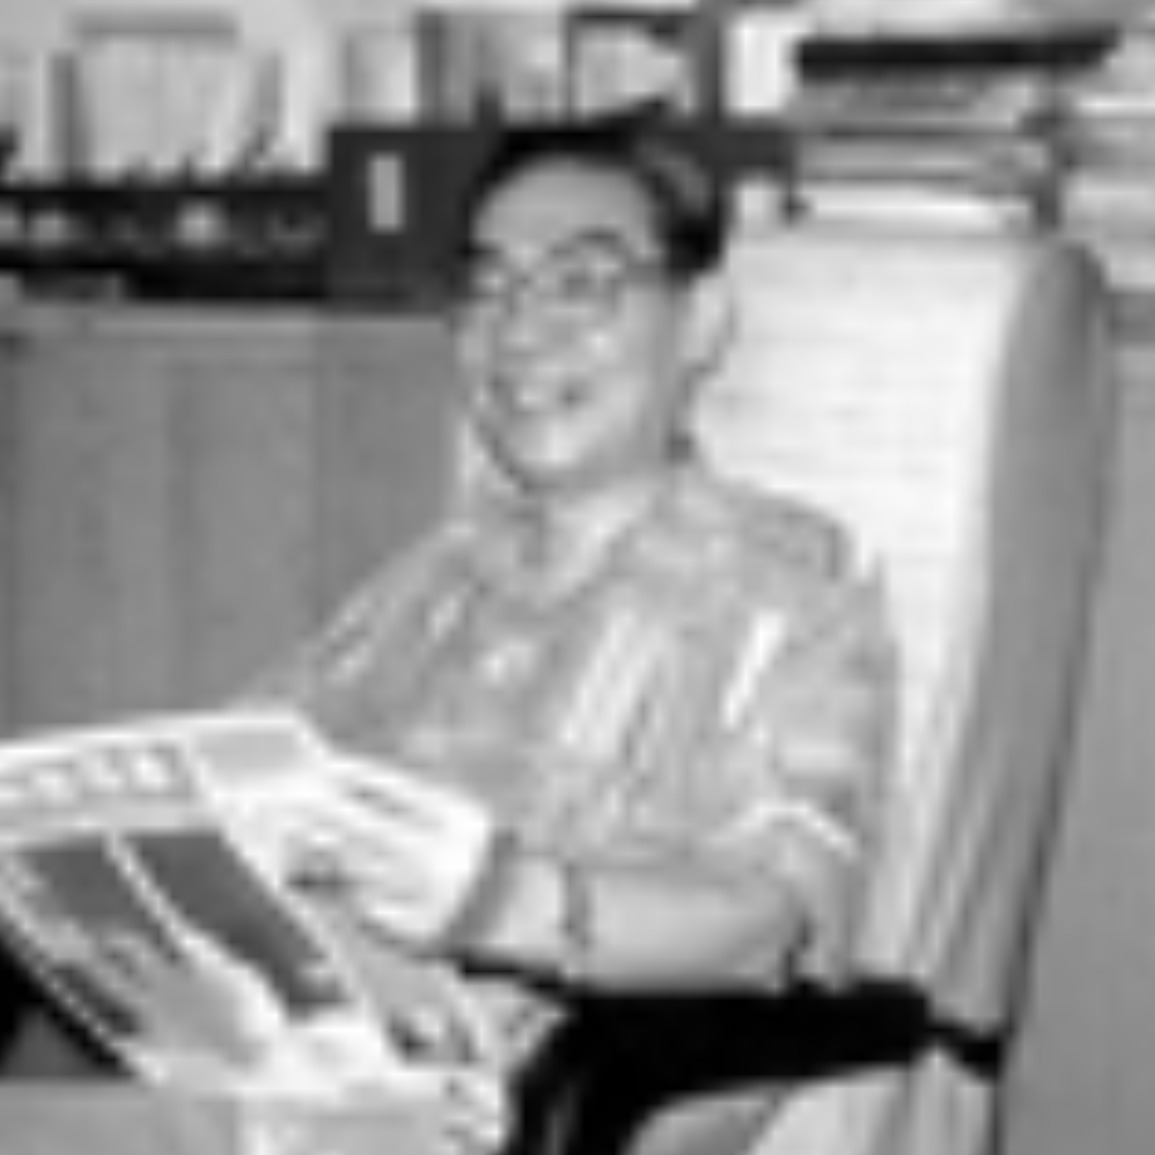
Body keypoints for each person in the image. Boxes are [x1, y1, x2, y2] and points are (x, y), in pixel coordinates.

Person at [263, 114, 900, 1155]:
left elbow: (780, 921)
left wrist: (508, 907)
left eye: (581, 284)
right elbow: (253, 770)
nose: (519, 332)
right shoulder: (429, 583)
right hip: (290, 1080)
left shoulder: (792, 596)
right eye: (488, 288)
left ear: (700, 324)